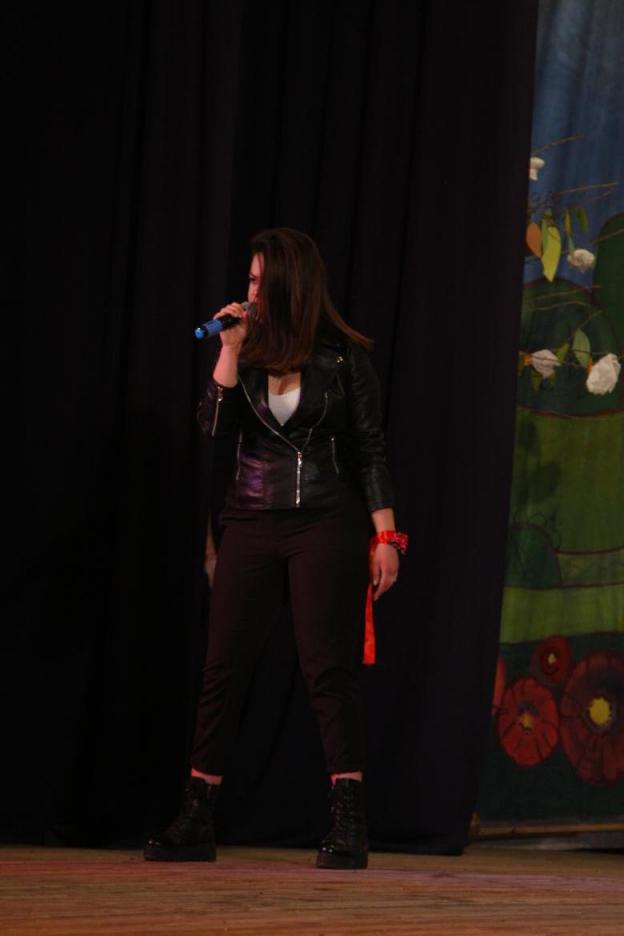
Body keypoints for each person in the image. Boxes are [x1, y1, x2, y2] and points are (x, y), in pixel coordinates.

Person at [144, 228, 406, 870]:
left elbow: (370, 450)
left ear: (290, 284)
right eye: (250, 280)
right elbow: (213, 426)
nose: (250, 291)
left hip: (325, 520)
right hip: (252, 519)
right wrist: (230, 350)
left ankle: (349, 819)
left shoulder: (344, 359)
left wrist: (386, 536)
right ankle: (196, 815)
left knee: (328, 669)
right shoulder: (248, 351)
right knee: (223, 667)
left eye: (260, 281)